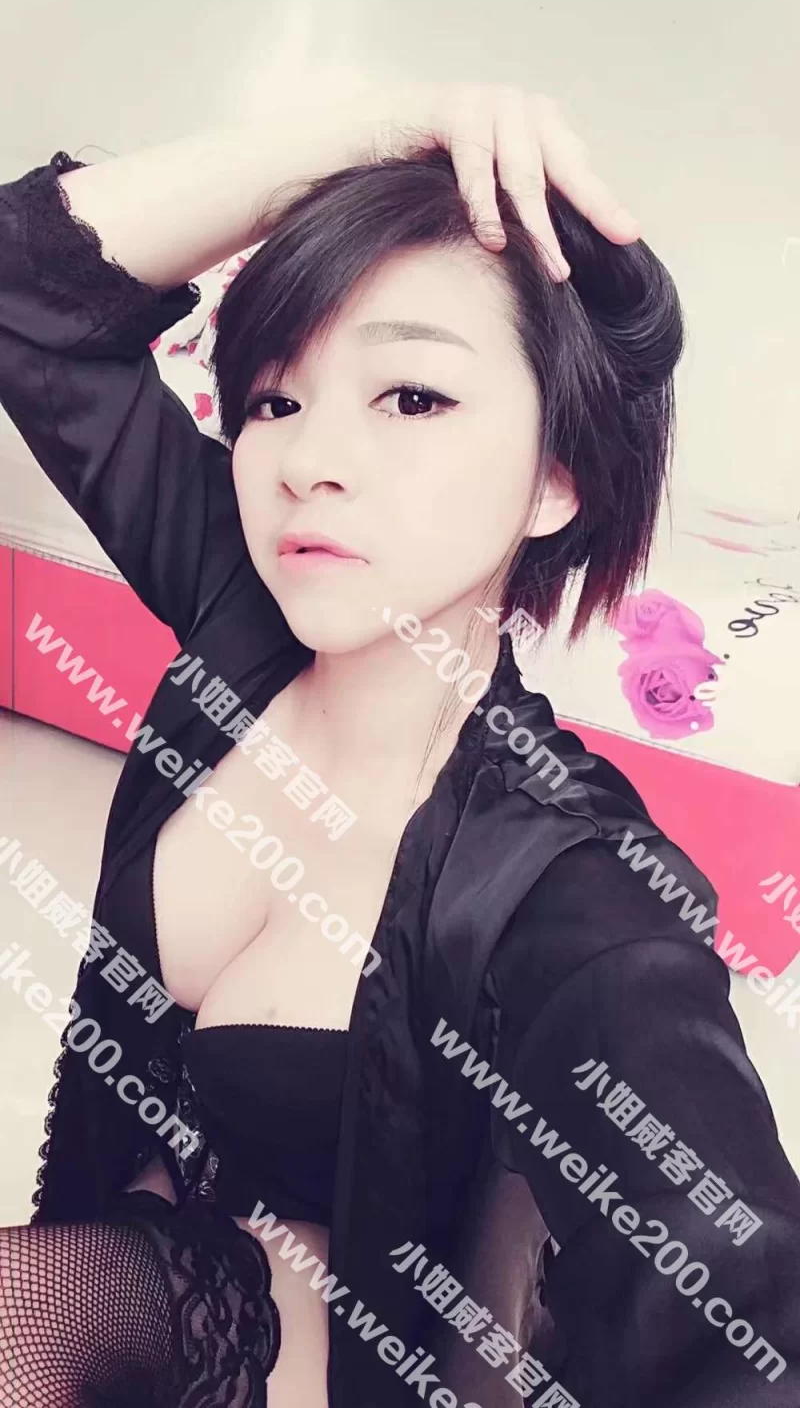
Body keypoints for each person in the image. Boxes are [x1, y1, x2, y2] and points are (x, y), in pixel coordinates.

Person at [0, 83, 798, 1408]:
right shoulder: (240, 611)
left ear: (560, 475)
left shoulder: (575, 899)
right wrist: (377, 129)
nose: (309, 460)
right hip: (108, 1266)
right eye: (274, 400)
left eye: (413, 396)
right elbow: (28, 287)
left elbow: (739, 1330)